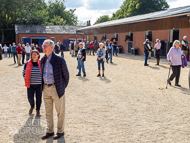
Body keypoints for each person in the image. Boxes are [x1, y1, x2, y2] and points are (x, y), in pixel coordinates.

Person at [41, 39, 69, 140]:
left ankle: (60, 131)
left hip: (56, 88)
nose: (43, 48)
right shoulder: (42, 59)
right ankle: (50, 130)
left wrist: (61, 87)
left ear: (51, 48)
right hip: (45, 88)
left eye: (45, 46)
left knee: (60, 111)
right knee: (48, 111)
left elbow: (66, 75)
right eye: (43, 46)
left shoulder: (59, 59)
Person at [22, 50, 42, 117]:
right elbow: (24, 72)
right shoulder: (27, 63)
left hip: (39, 85)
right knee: (30, 98)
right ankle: (32, 106)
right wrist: (25, 77)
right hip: (30, 84)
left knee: (39, 98)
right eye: (33, 54)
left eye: (35, 54)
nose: (34, 55)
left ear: (38, 55)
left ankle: (38, 110)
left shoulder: (41, 63)